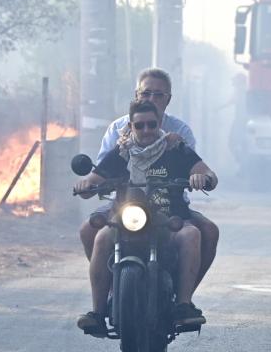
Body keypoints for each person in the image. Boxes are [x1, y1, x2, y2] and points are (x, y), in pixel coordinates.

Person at [74, 100, 219, 333]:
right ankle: (98, 312)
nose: (146, 131)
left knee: (192, 234)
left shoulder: (176, 149)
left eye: (151, 125)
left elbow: (207, 173)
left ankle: (183, 305)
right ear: (131, 126)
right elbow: (95, 178)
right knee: (101, 237)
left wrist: (202, 178)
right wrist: (85, 185)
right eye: (139, 125)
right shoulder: (121, 153)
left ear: (159, 123)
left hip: (169, 221)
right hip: (125, 221)